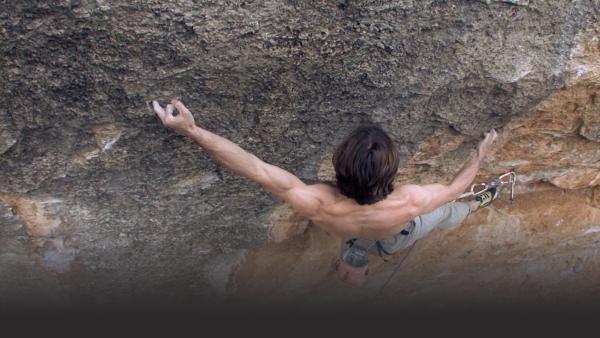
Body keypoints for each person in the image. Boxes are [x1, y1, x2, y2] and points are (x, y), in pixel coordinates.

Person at [152, 98, 498, 286]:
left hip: (349, 233)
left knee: (355, 250)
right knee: (448, 212)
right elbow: (455, 187)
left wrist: (194, 131)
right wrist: (479, 153)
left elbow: (254, 167)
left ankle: (354, 273)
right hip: (398, 233)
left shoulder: (319, 205)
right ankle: (479, 205)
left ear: (339, 167)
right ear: (391, 172)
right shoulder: (411, 200)